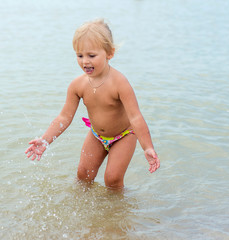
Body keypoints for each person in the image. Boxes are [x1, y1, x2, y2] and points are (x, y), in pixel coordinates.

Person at [25, 19, 160, 189]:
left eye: (91, 55)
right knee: (83, 175)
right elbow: (64, 116)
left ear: (109, 53)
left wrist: (147, 147)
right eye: (79, 55)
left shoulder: (119, 83)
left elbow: (135, 117)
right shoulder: (77, 85)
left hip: (124, 135)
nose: (85, 61)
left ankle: (117, 212)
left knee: (112, 179)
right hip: (97, 135)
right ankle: (86, 211)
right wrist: (45, 140)